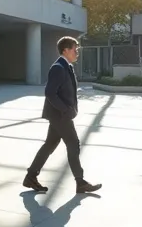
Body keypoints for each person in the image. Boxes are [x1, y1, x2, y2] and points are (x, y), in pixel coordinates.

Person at [23, 36, 102, 194]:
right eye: (74, 49)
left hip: (59, 115)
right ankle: (80, 182)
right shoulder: (58, 67)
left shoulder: (67, 66)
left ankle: (31, 176)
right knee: (73, 143)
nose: (77, 52)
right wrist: (65, 109)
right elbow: (50, 93)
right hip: (60, 115)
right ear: (65, 50)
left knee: (50, 145)